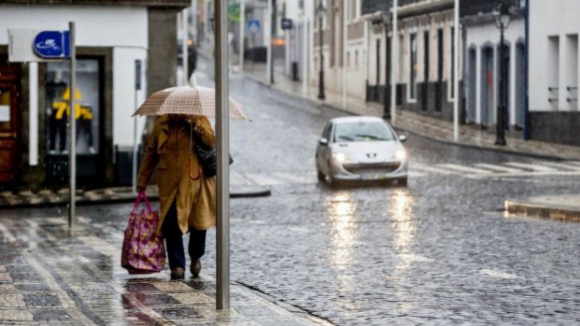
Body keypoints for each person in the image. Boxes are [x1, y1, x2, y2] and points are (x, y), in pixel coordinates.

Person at [136, 113, 216, 280]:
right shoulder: (161, 124)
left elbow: (210, 140)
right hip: (170, 184)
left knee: (197, 224)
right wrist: (142, 180)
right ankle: (177, 265)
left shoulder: (199, 119)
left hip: (195, 183)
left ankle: (196, 256)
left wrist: (194, 123)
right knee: (171, 223)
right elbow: (150, 153)